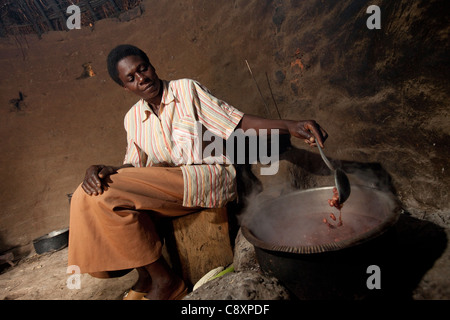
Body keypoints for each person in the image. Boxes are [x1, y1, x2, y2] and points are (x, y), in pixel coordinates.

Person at [68, 44, 328, 300]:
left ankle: (165, 281)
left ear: (152, 65)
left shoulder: (186, 89)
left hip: (209, 178)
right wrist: (104, 169)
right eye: (131, 78)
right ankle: (148, 275)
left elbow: (236, 122)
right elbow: (133, 167)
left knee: (106, 191)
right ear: (125, 88)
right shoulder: (133, 118)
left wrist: (289, 125)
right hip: (168, 189)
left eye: (143, 68)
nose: (142, 78)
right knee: (94, 193)